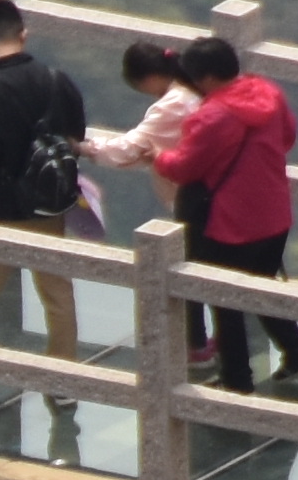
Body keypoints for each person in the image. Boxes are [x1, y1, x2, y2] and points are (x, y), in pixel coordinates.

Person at [0, 0, 99, 444]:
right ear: (23, 34)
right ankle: (62, 378)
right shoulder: (56, 80)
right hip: (50, 205)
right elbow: (74, 137)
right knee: (56, 291)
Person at [159, 30, 298, 389]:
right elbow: (287, 137)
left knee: (224, 302)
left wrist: (158, 158)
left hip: (230, 223)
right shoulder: (269, 93)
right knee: (263, 285)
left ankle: (237, 379)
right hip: (274, 214)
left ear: (206, 78)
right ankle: (297, 354)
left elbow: (185, 168)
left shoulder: (212, 116)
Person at [89, 42, 216, 385]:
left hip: (196, 197)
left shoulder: (172, 105)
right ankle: (224, 341)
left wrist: (87, 148)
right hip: (222, 191)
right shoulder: (195, 91)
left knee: (188, 270)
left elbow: (130, 148)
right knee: (218, 265)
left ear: (146, 79)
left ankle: (198, 346)